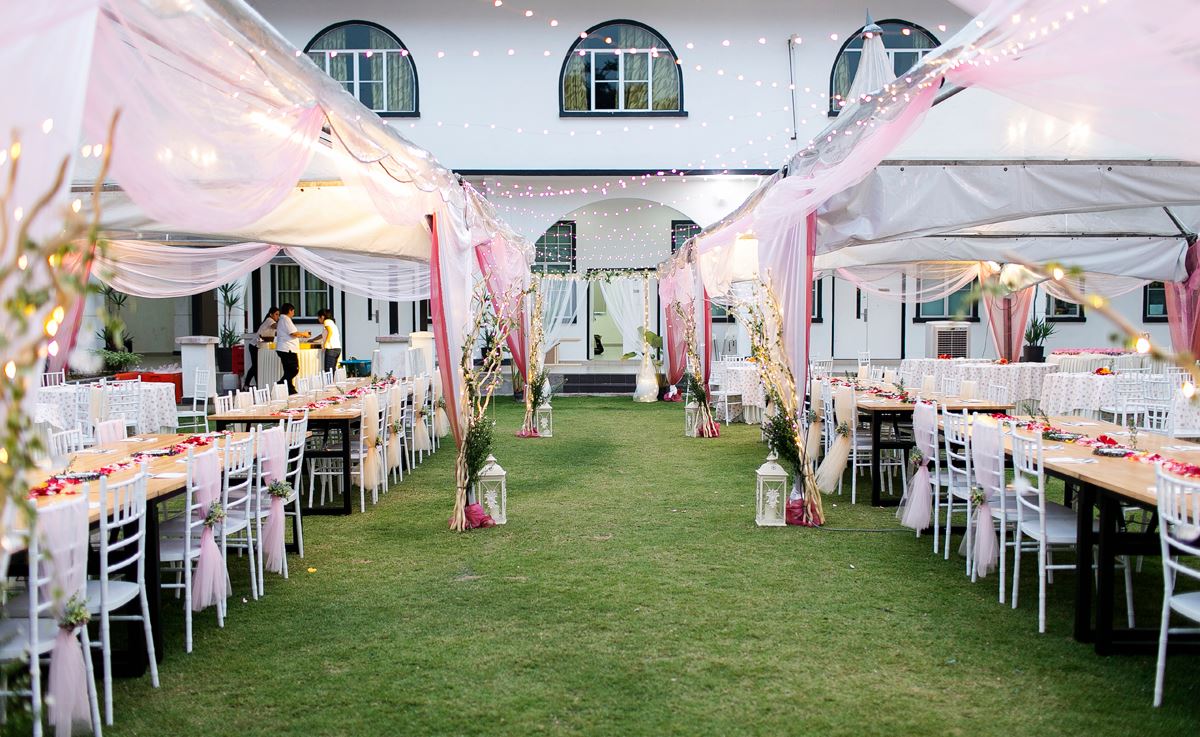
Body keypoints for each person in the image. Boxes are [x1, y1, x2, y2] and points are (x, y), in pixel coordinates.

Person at [274, 303, 310, 395]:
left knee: (288, 370)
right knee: (294, 370)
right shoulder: (286, 319)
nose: (293, 313)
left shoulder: (282, 319)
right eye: (293, 311)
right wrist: (304, 334)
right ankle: (280, 384)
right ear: (290, 311)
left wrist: (301, 335)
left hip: (284, 348)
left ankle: (290, 389)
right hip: (288, 349)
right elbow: (293, 333)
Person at [243, 306, 279, 390]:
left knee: (257, 366)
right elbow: (276, 326)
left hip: (260, 346)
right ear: (271, 314)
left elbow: (275, 332)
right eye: (276, 314)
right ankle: (246, 384)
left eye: (279, 315)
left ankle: (257, 385)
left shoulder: (272, 322)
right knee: (255, 366)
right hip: (255, 345)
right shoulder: (269, 320)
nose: (278, 316)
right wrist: (285, 322)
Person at [317, 309, 341, 373]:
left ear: (322, 317)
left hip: (331, 349)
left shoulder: (326, 321)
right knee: (332, 371)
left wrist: (326, 343)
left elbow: (330, 332)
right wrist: (313, 339)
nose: (318, 319)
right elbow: (322, 335)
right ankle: (332, 380)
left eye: (318, 317)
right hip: (337, 348)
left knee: (328, 371)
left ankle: (330, 380)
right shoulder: (332, 322)